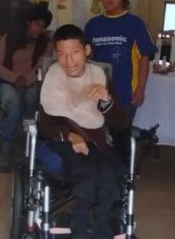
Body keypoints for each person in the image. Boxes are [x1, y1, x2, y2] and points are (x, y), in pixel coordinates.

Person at [38, 25, 129, 239]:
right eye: (62, 54)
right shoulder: (54, 76)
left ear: (87, 50)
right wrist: (70, 135)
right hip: (61, 141)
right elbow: (44, 121)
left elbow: (121, 123)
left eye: (75, 52)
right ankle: (80, 231)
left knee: (111, 173)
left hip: (96, 142)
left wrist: (106, 101)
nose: (69, 61)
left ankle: (101, 231)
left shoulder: (98, 75)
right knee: (88, 174)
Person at [83, 0, 156, 118]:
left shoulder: (135, 24)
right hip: (96, 92)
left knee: (121, 130)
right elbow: (85, 57)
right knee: (95, 130)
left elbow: (144, 59)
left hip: (125, 93)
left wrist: (140, 89)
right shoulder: (92, 25)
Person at [0, 6, 52, 172]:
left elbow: (41, 66)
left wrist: (26, 80)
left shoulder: (45, 43)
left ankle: (25, 136)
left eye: (43, 26)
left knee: (33, 95)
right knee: (14, 100)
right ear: (28, 22)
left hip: (29, 82)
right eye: (37, 24)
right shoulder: (9, 38)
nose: (39, 29)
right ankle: (7, 144)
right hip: (6, 81)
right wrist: (14, 78)